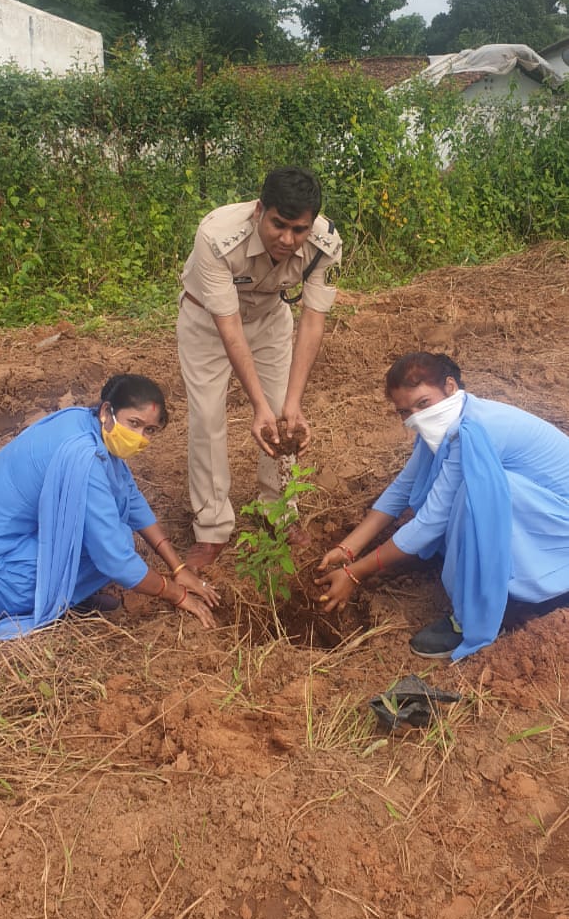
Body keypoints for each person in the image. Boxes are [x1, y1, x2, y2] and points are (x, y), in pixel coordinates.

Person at [315, 352, 569, 660]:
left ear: (450, 387)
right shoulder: (447, 426)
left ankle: (485, 613)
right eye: (404, 411)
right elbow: (402, 488)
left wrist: (355, 573)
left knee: (476, 493)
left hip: (558, 529)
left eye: (423, 404)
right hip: (539, 513)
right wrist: (348, 548)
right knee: (472, 491)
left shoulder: (476, 430)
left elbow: (430, 523)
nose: (416, 417)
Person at [0, 374, 219, 646]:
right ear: (106, 411)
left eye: (149, 430)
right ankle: (40, 600)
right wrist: (177, 595)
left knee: (109, 520)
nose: (139, 438)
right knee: (118, 539)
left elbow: (129, 495)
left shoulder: (80, 422)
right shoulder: (84, 459)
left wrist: (178, 566)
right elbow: (117, 561)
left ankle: (65, 592)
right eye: (134, 424)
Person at [177, 166, 342, 570]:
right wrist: (257, 406)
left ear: (312, 224)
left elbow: (313, 321)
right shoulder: (216, 236)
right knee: (208, 419)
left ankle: (279, 512)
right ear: (258, 212)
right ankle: (212, 528)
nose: (287, 239)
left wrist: (292, 402)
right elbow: (229, 327)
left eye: (299, 229)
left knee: (284, 419)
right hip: (208, 323)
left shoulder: (325, 243)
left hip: (270, 316)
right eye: (278, 225)